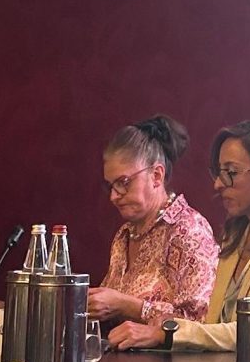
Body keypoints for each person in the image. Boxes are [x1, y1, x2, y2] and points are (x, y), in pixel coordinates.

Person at [108, 117, 250, 353]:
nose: (218, 184)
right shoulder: (235, 240)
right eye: (219, 173)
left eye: (231, 172)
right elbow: (213, 327)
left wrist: (168, 332)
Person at [87, 116, 217, 329]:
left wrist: (126, 306)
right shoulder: (124, 235)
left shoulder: (189, 230)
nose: (113, 196)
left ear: (156, 175)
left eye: (123, 183)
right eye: (110, 186)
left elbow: (200, 323)